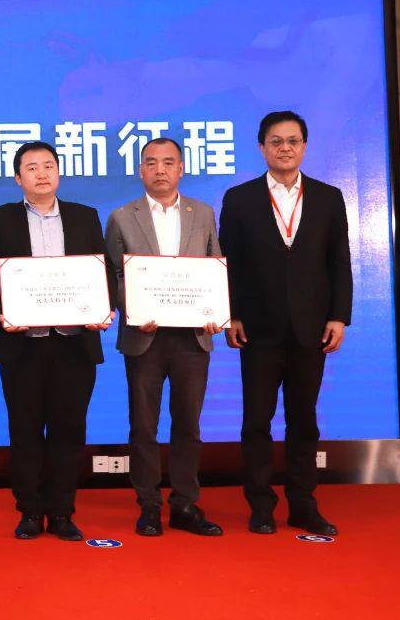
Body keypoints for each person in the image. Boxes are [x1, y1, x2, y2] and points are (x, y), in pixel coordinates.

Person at [220, 111, 352, 536]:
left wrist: (339, 316)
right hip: (257, 327)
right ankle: (261, 505)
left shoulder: (329, 197)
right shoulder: (239, 198)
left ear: (304, 147)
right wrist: (231, 313)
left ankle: (303, 504)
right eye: (275, 141)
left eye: (293, 141)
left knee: (304, 421)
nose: (285, 148)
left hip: (311, 327)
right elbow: (228, 262)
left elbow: (339, 262)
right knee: (257, 421)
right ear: (262, 147)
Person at [0, 141, 114, 542]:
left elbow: (101, 271)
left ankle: (63, 511)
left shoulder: (85, 216)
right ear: (18, 178)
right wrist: (1, 314)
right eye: (32, 167)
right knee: (25, 430)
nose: (42, 173)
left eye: (48, 165)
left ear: (58, 172)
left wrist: (102, 308)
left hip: (74, 342)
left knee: (69, 430)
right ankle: (30, 511)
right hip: (23, 343)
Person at [104, 137, 223, 537]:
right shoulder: (122, 216)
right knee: (143, 426)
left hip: (192, 337)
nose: (160, 170)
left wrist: (215, 312)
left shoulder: (203, 213)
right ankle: (149, 505)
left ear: (181, 169)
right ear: (140, 170)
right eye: (151, 162)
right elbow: (113, 275)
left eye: (168, 162)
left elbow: (214, 268)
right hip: (145, 337)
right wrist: (135, 308)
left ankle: (186, 503)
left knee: (188, 424)